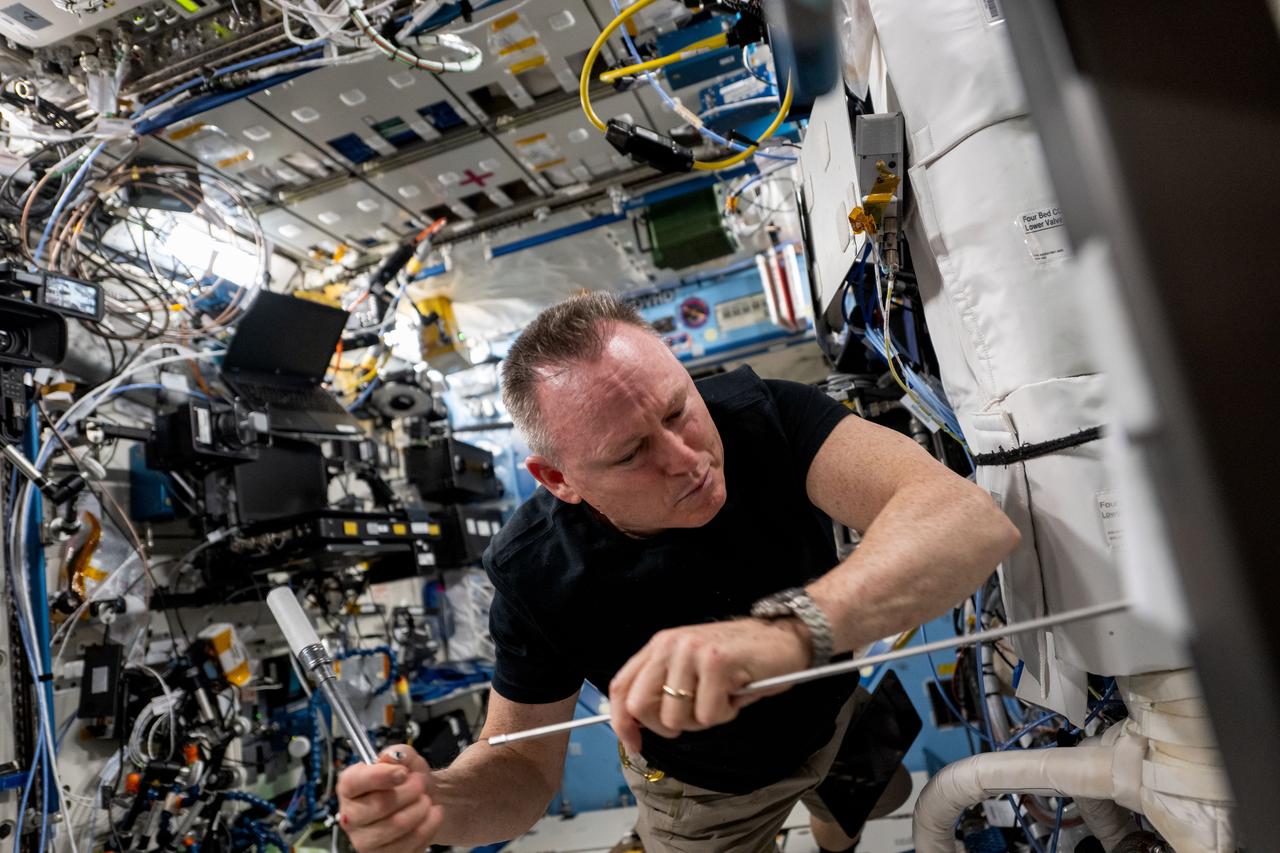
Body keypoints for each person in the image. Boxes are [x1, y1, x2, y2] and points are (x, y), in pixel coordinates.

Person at [335, 293, 1020, 852]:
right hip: (703, 792)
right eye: (632, 452)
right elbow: (519, 763)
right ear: (558, 479)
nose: (687, 457)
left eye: (677, 409)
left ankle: (831, 832)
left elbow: (964, 515)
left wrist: (784, 632)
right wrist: (441, 803)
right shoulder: (533, 572)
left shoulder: (764, 416)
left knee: (870, 802)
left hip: (832, 715)